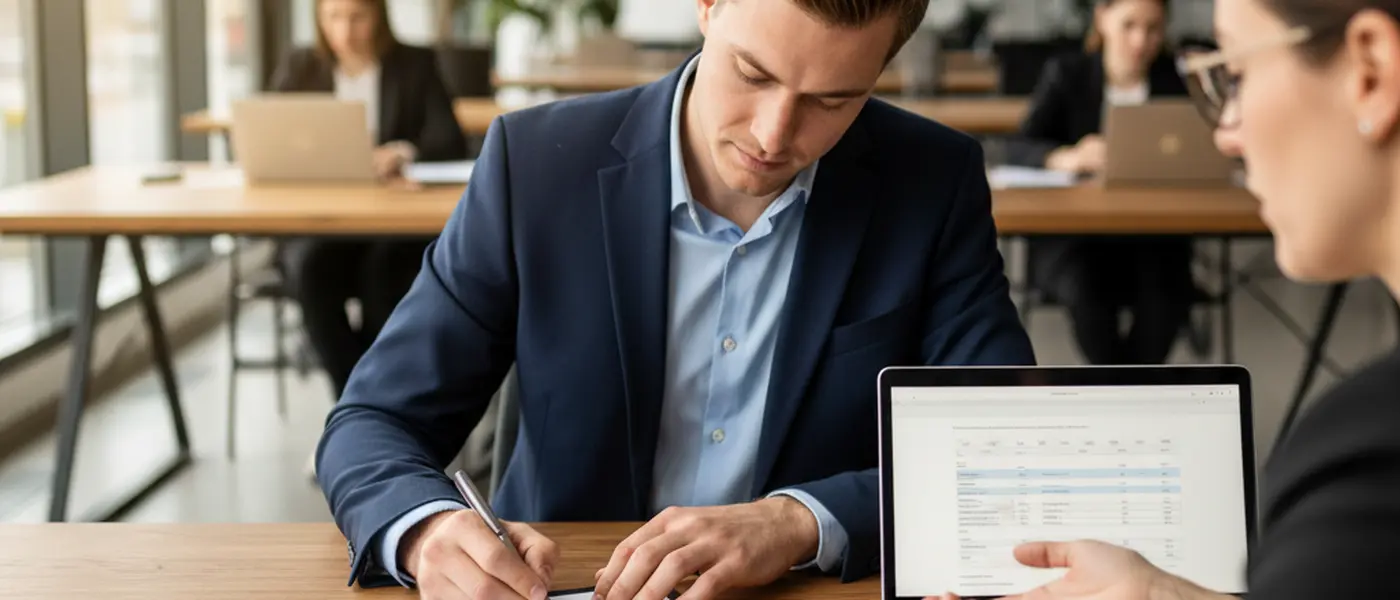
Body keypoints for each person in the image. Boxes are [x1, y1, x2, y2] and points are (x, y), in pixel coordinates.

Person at [316, 0, 1037, 598]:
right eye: (753, 73)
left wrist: (797, 522)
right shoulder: (534, 167)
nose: (772, 134)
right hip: (567, 586)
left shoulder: (933, 182)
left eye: (831, 100)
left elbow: (1003, 445)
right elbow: (373, 420)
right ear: (708, 6)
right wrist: (426, 529)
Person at [936, 0, 1400, 598]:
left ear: (1371, 69)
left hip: (1151, 249)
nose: (1225, 132)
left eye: (1234, 71)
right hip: (1085, 250)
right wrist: (1158, 593)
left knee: (1161, 294)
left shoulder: (1360, 484)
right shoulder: (1358, 479)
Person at [269, 0, 468, 399]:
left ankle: (371, 413)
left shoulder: (414, 63)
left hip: (394, 228)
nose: (345, 31)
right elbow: (276, 137)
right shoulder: (301, 66)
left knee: (383, 278)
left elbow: (450, 138)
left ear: (378, 16)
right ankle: (358, 407)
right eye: (333, 18)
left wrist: (403, 151)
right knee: (311, 274)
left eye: (356, 17)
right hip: (327, 224)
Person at [1007, 0, 1198, 366]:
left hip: (1154, 235)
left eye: (1153, 28)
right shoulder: (1067, 73)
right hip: (1077, 239)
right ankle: (1121, 387)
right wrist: (1068, 157)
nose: (1141, 40)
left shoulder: (1175, 81)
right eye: (1129, 25)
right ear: (1102, 19)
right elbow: (1017, 147)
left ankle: (1132, 388)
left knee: (1168, 293)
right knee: (1087, 292)